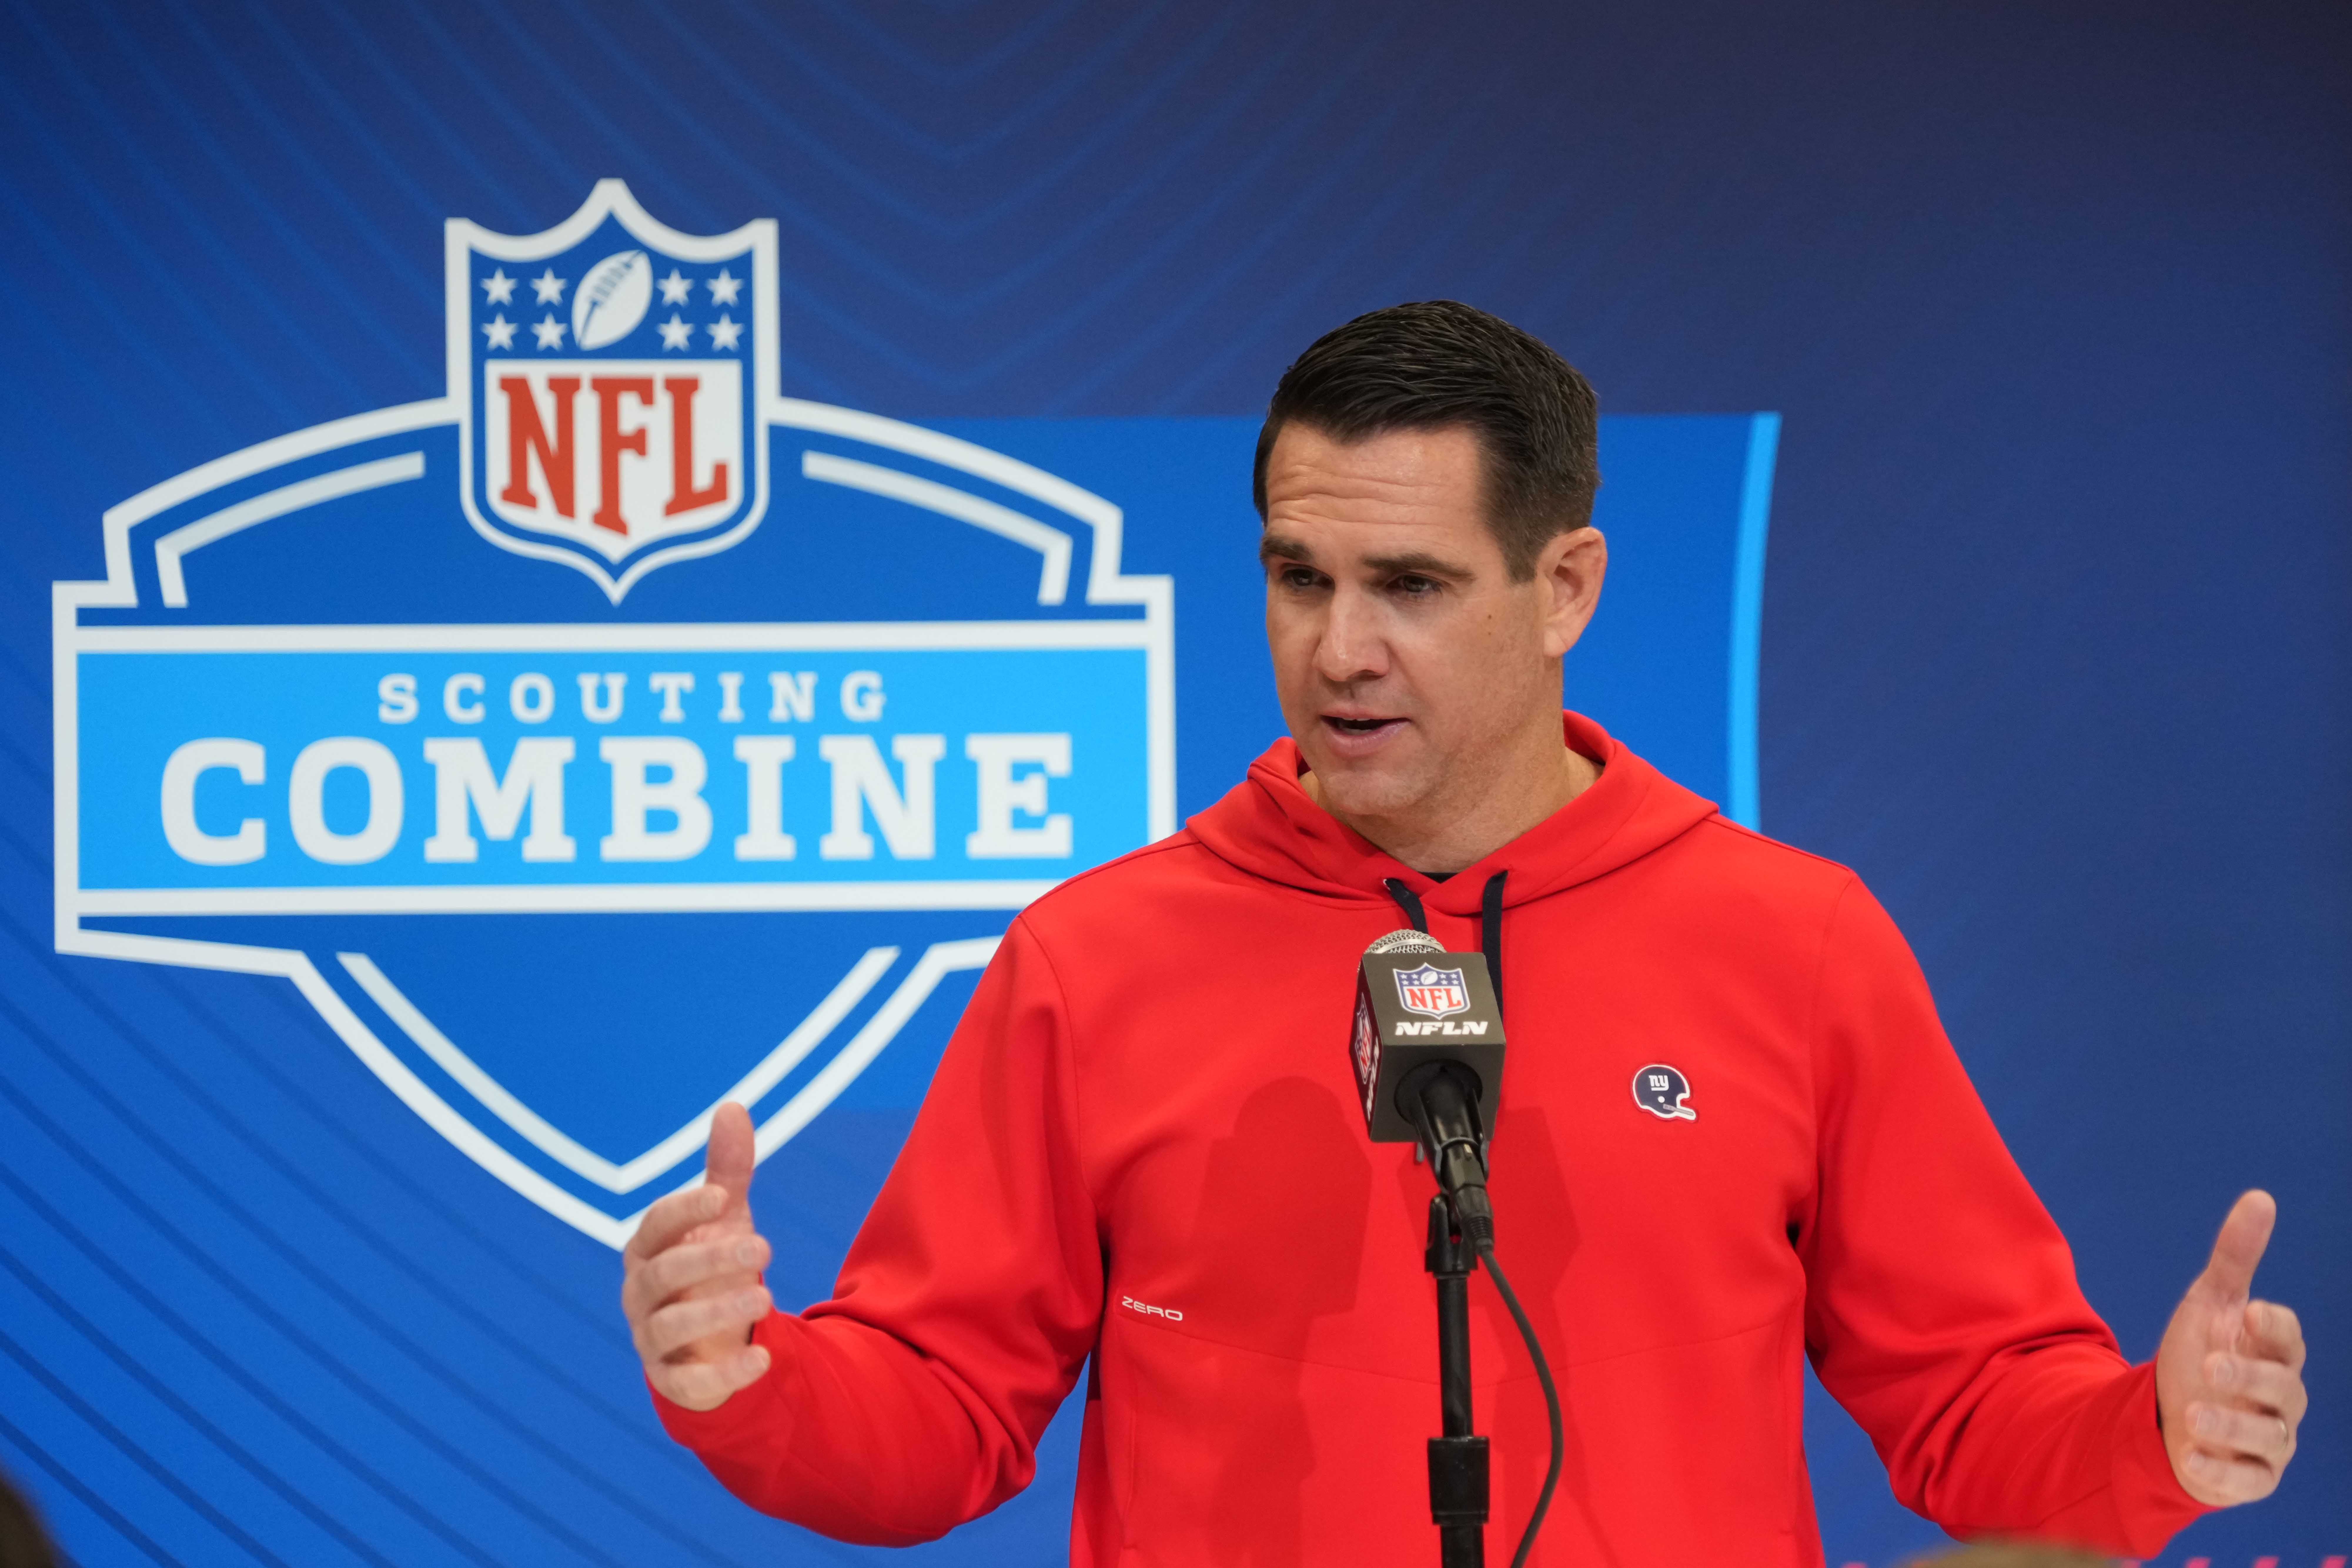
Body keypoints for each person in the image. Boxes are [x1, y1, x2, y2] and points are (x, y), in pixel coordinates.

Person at [623, 302, 2308, 1565]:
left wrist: (2153, 1431)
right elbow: (938, 1412)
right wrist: (748, 1383)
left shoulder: (1792, 941)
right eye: (1298, 576)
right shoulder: (1096, 954)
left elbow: (1971, 1404)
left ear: (1562, 586)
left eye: (1410, 585)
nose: (1337, 646)